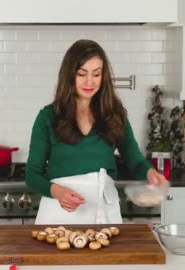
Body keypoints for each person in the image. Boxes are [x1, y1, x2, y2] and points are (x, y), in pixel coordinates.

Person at [25, 39, 167, 224]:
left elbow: (135, 160)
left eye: (96, 74)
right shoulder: (48, 117)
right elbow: (32, 174)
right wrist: (57, 192)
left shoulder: (114, 115)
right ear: (69, 75)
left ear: (104, 76)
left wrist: (150, 173)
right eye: (82, 74)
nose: (90, 82)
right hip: (58, 215)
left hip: (104, 215)